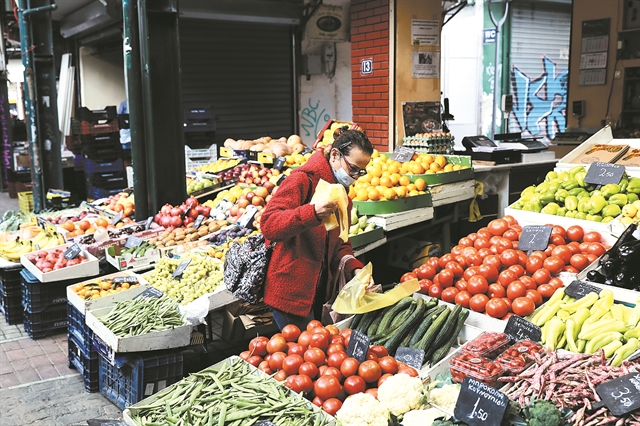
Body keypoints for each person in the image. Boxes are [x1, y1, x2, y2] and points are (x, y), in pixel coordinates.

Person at [261, 129, 375, 330]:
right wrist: (312, 213)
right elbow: (269, 224)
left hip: (318, 292)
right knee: (301, 352)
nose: (355, 177)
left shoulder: (342, 198)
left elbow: (341, 244)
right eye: (353, 169)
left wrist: (354, 268)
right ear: (334, 155)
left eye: (361, 172)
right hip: (290, 294)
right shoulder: (302, 180)